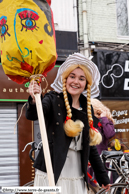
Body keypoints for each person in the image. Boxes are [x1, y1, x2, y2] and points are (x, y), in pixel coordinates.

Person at [26, 53, 110, 193]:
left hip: (77, 176)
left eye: (81, 78)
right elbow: (33, 114)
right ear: (65, 79)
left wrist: (103, 178)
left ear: (86, 84)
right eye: (72, 76)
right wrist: (35, 99)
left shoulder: (87, 108)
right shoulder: (53, 99)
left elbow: (91, 148)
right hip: (52, 174)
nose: (76, 81)